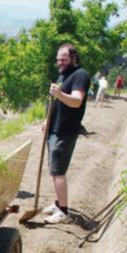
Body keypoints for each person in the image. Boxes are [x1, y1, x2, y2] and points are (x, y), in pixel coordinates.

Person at [42, 43, 90, 224]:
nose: (60, 62)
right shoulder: (63, 74)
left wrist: (59, 93)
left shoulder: (80, 75)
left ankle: (63, 211)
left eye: (63, 59)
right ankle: (57, 204)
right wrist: (47, 120)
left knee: (58, 170)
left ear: (74, 57)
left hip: (65, 130)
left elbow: (77, 101)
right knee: (54, 169)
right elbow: (56, 102)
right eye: (58, 59)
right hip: (55, 128)